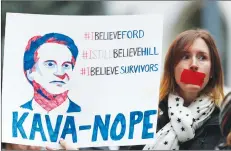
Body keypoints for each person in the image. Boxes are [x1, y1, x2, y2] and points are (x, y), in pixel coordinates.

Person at [56, 29, 225, 150]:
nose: (194, 64)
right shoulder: (144, 123)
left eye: (202, 57)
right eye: (185, 56)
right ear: (172, 69)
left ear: (212, 71)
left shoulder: (224, 128)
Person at [20, 32, 81, 114]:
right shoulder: (20, 111)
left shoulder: (82, 112)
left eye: (66, 65)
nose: (60, 73)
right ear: (30, 72)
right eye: (50, 64)